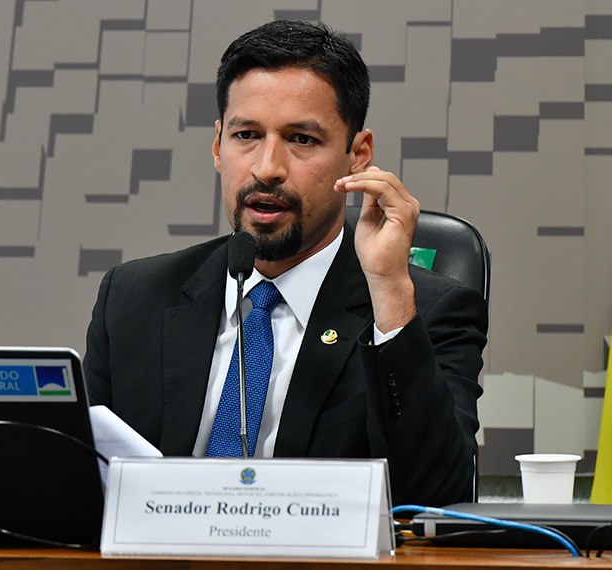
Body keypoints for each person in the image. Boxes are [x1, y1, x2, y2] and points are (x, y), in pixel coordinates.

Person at [84, 20, 487, 507]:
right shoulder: (134, 298)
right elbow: (79, 480)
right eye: (246, 135)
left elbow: (436, 497)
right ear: (218, 146)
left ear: (357, 155)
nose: (267, 167)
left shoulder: (422, 311)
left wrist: (389, 293)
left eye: (301, 139)